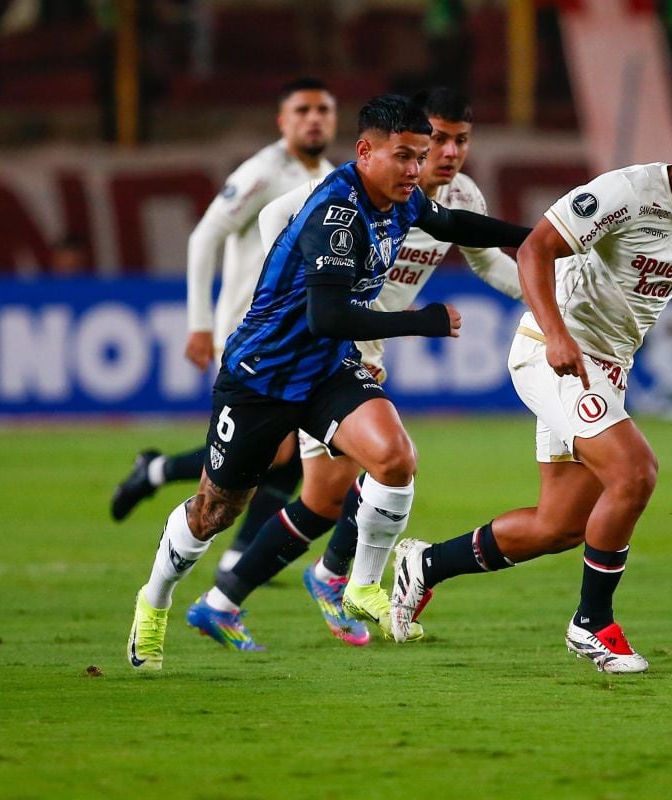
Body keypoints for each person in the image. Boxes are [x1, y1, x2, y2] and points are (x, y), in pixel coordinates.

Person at [126, 93, 531, 671]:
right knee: (215, 511)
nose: (416, 169)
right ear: (365, 152)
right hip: (262, 375)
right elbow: (328, 317)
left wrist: (538, 234)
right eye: (405, 156)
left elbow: (452, 221)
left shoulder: (400, 197)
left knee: (393, 458)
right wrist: (421, 321)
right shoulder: (335, 215)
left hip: (326, 370)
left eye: (421, 156)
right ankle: (155, 600)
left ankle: (356, 582)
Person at [389, 120, 672, 673]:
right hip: (556, 355)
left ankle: (426, 566)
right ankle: (591, 624)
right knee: (635, 472)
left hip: (607, 367)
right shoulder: (624, 193)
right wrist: (556, 333)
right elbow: (535, 249)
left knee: (558, 526)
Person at [110, 77, 337, 586]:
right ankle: (231, 554)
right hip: (249, 332)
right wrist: (199, 323)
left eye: (323, 109)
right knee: (280, 449)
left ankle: (163, 479)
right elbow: (204, 236)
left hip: (293, 337)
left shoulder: (327, 176)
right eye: (302, 110)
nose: (314, 118)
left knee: (287, 451)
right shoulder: (262, 171)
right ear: (283, 121)